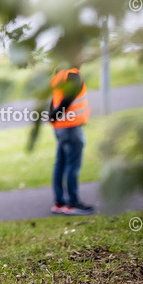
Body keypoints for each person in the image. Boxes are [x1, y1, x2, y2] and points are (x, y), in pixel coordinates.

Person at [48, 66, 95, 216]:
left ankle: (59, 202)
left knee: (60, 164)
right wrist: (55, 115)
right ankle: (72, 203)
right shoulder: (73, 75)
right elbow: (67, 99)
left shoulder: (59, 74)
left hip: (60, 127)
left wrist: (53, 116)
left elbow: (54, 99)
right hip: (71, 127)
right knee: (72, 166)